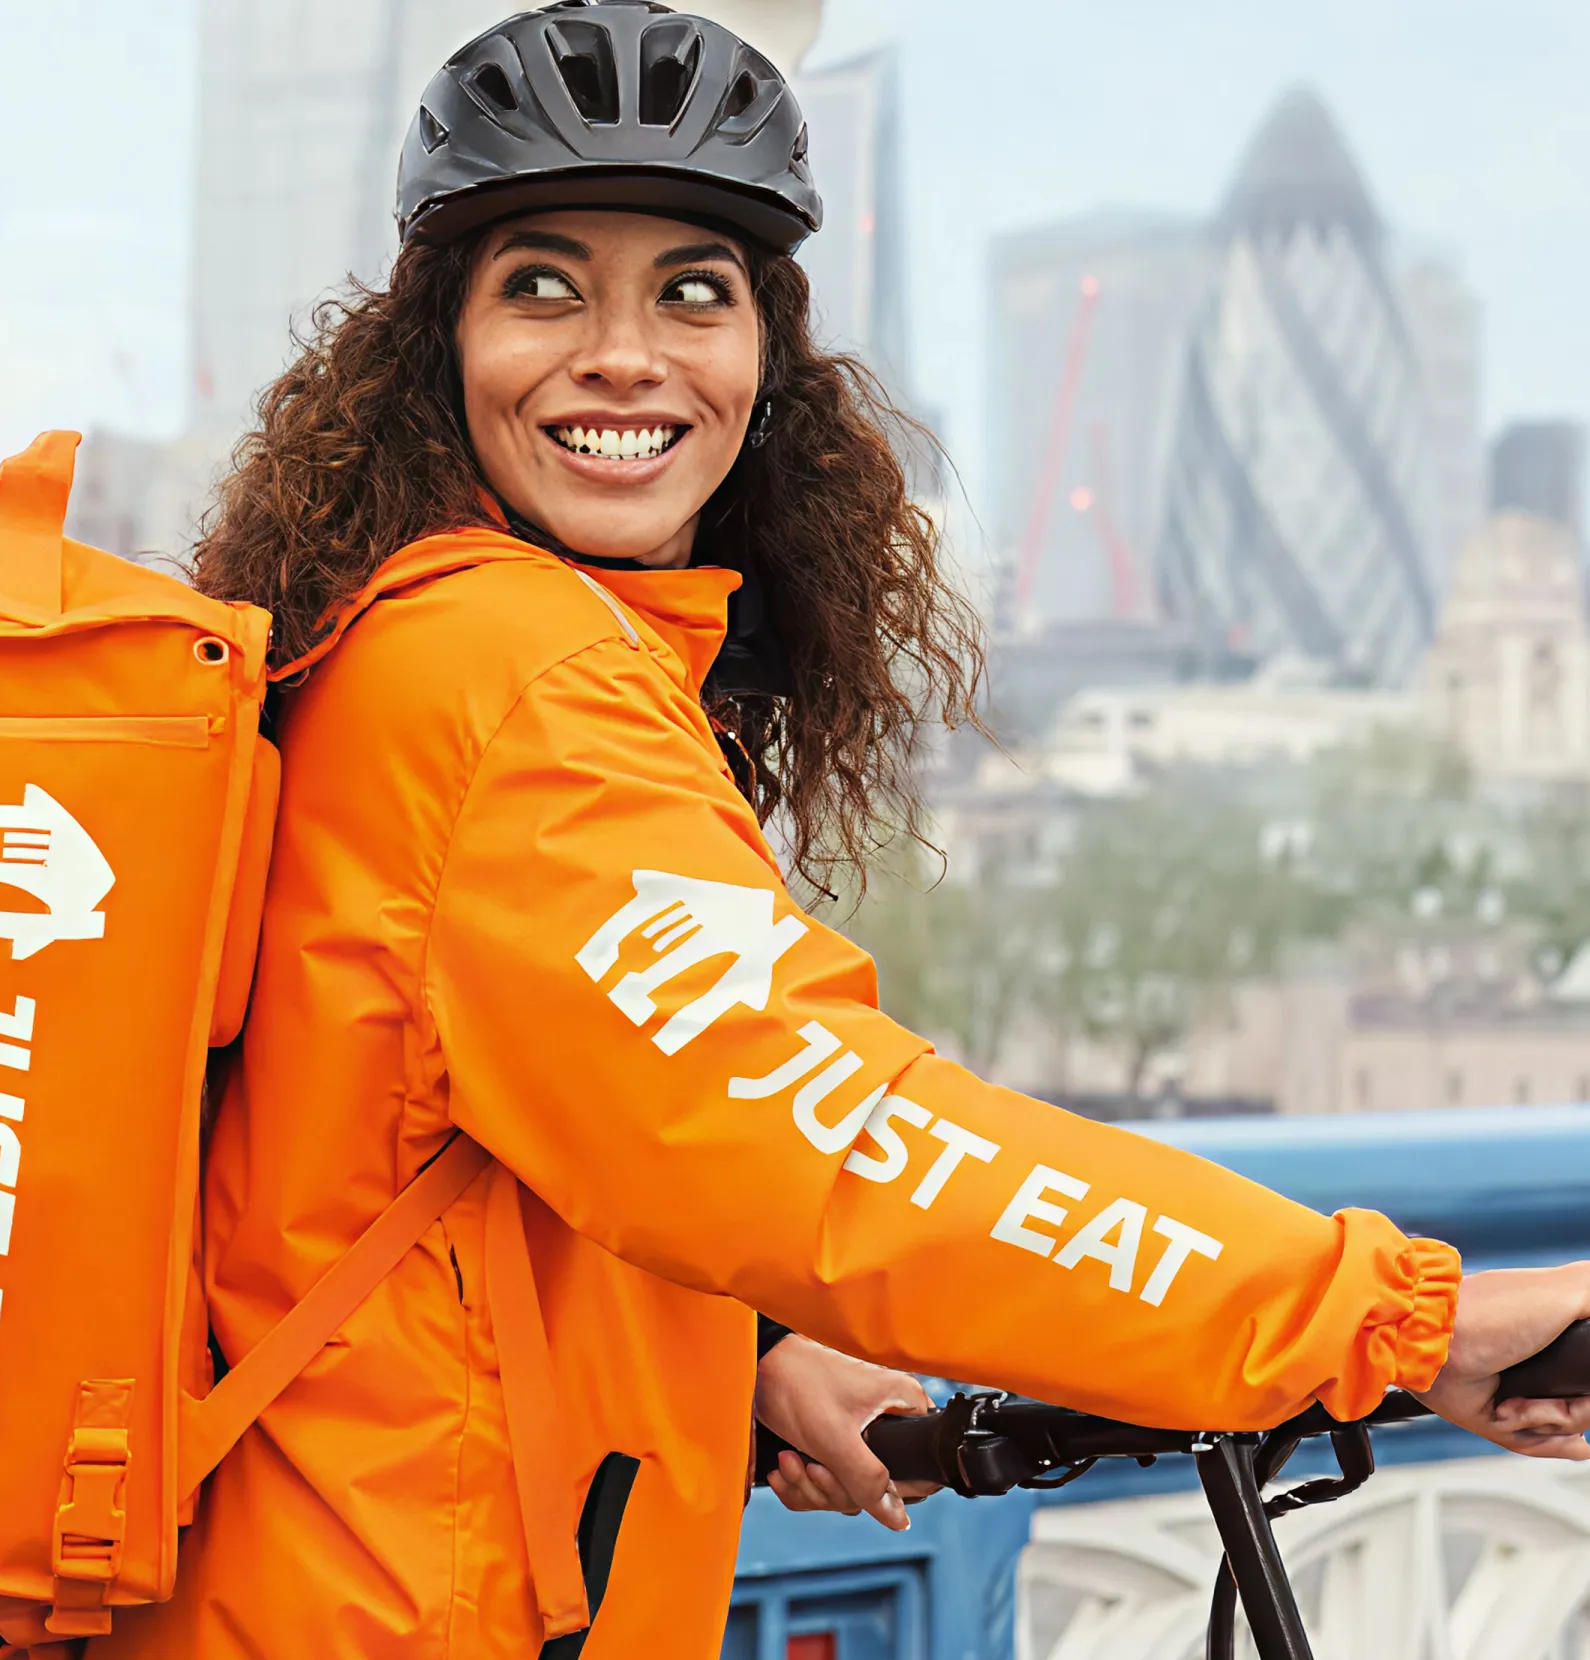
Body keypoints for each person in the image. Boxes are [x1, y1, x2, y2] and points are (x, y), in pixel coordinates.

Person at [94, 5, 1590, 1655]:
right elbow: (833, 1145)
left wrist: (742, 1356)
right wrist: (1389, 1320)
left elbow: (440, 1140)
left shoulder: (383, 638)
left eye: (692, 290)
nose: (624, 351)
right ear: (433, 352)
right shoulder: (503, 674)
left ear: (765, 359)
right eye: (541, 285)